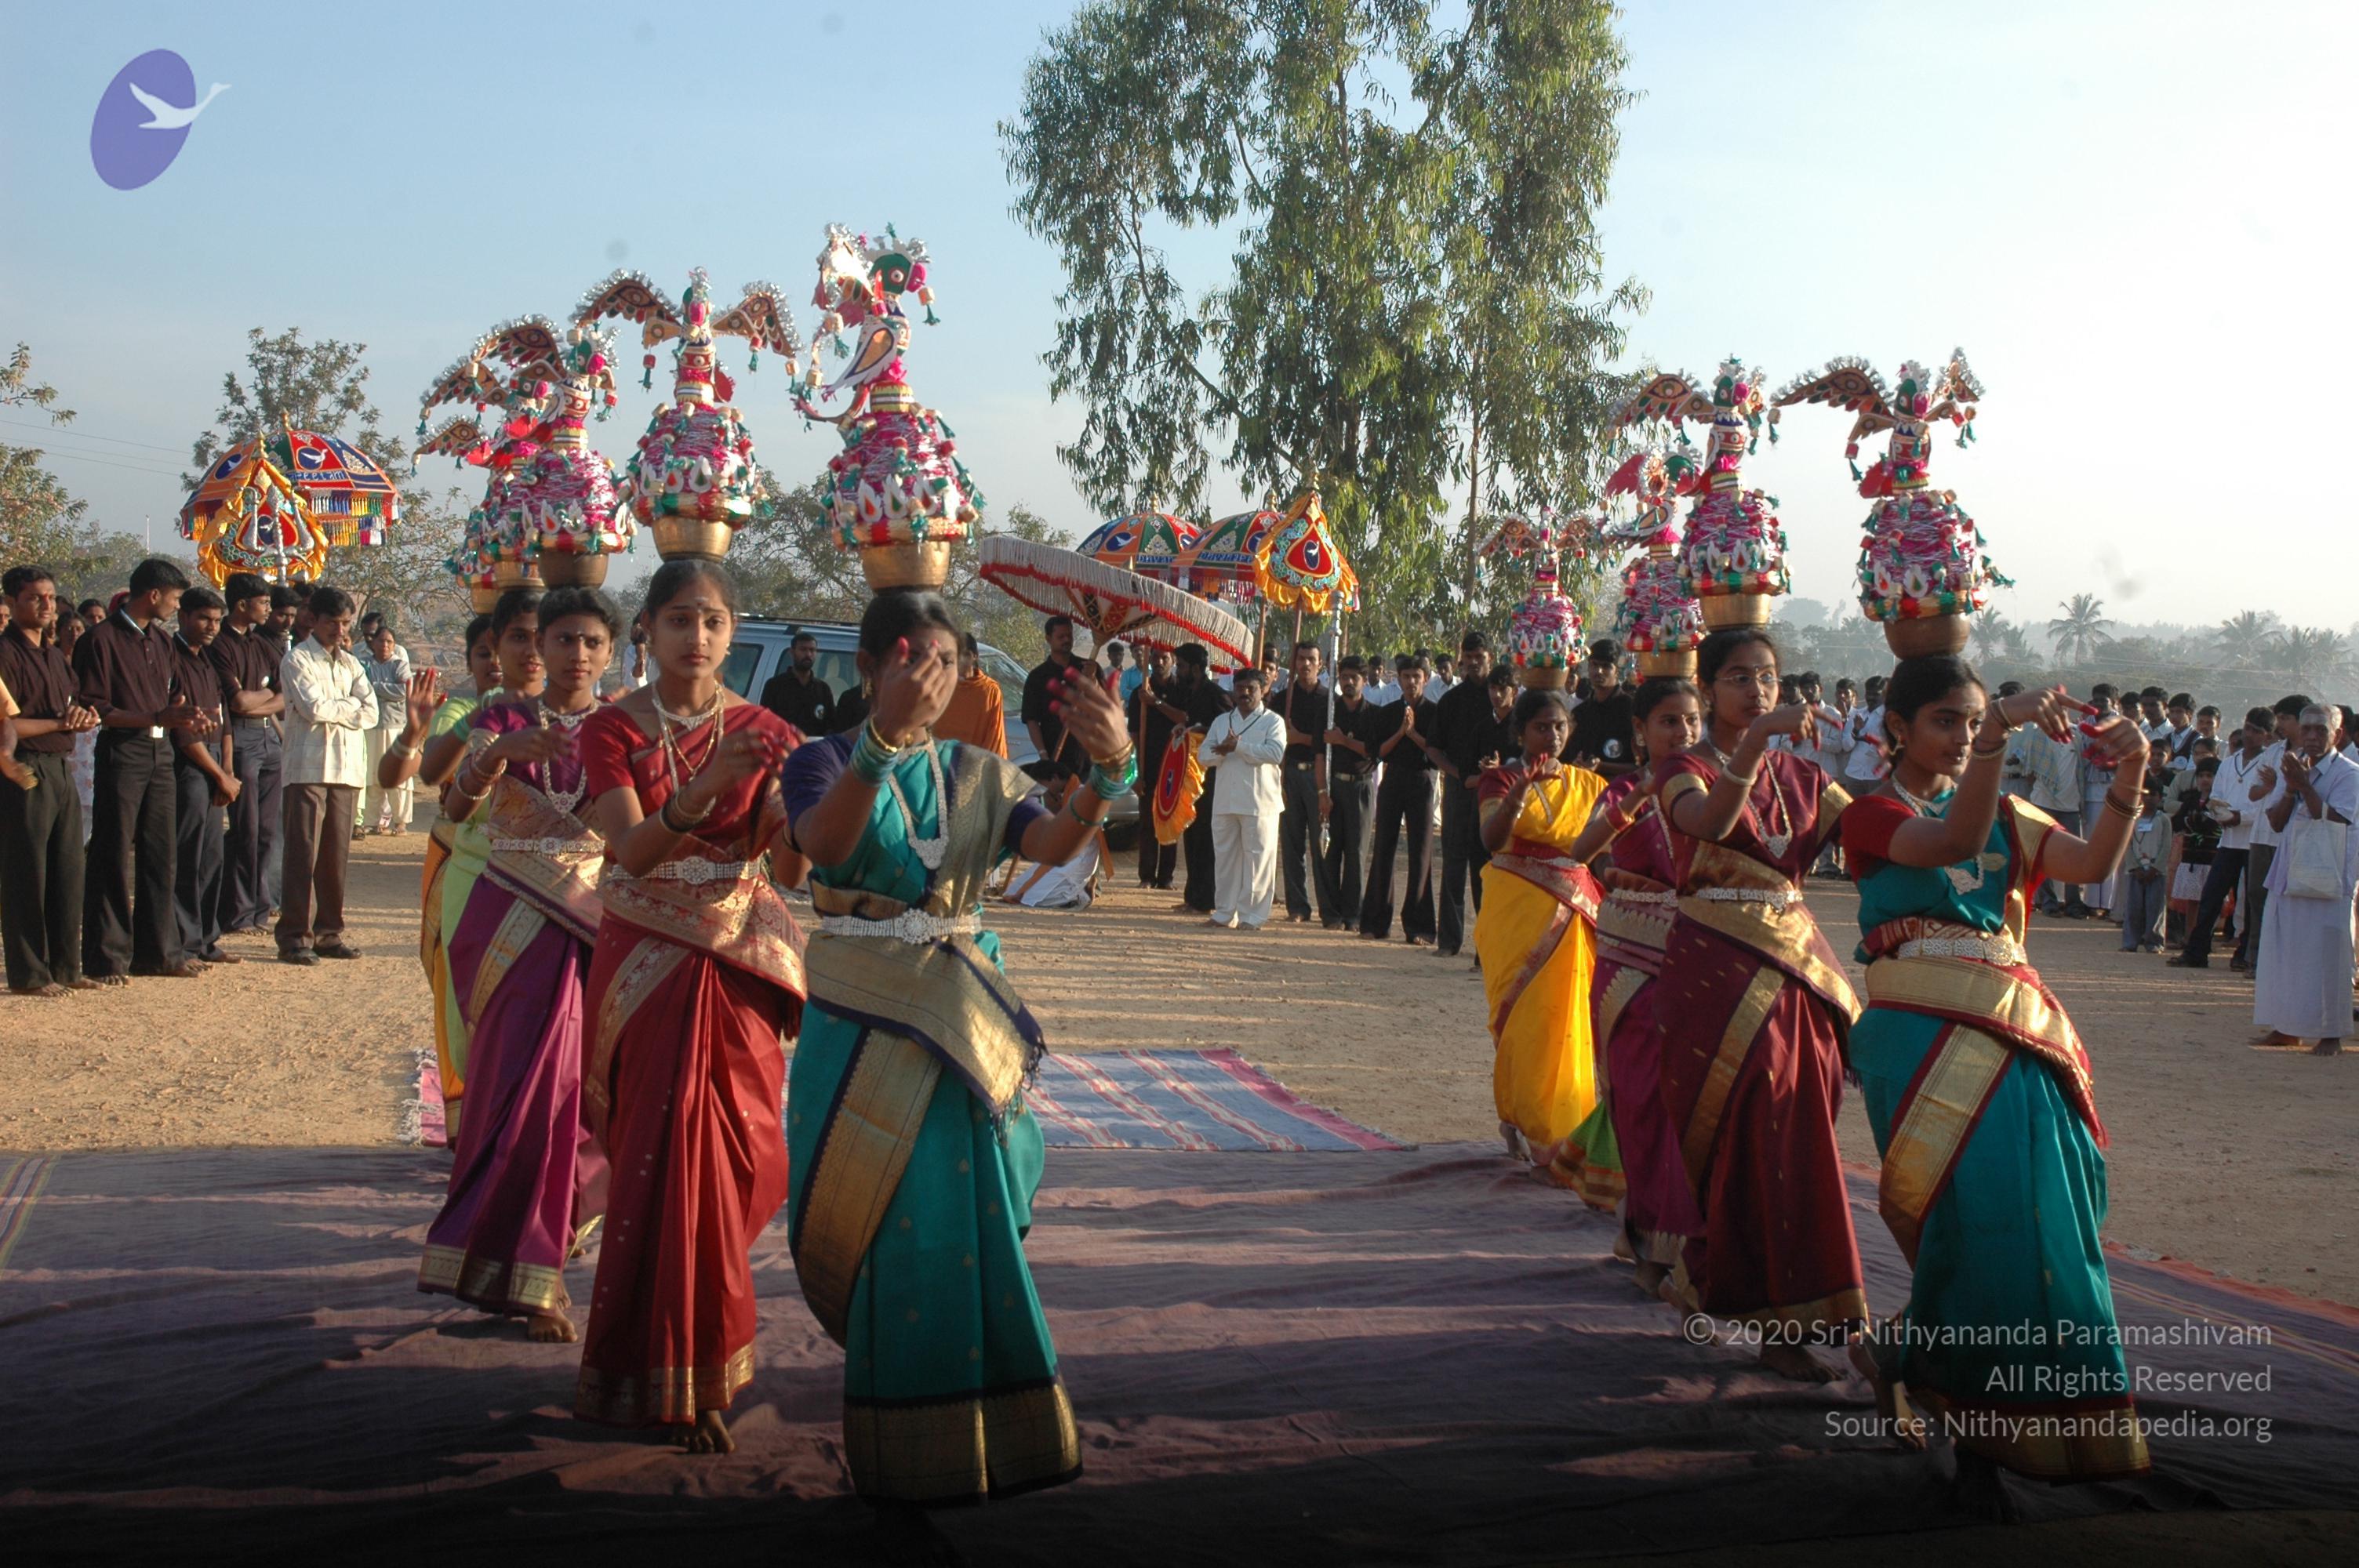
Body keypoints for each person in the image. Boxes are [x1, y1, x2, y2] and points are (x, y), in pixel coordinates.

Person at [782, 585, 1118, 1507]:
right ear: (869, 666)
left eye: (947, 662)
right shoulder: (819, 759)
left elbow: (1049, 841)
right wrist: (878, 745)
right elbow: (823, 847)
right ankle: (902, 1445)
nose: (932, 678)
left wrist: (1110, 769)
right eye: (912, 661)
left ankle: (1000, 1430)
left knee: (974, 1213)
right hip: (862, 1020)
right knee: (885, 1216)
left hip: (961, 1017)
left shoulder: (976, 769)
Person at [1840, 655, 2152, 1479]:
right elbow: (1951, 841)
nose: (1962, 736)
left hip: (2014, 1026)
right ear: (1897, 726)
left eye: (1973, 721)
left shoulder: (2012, 813)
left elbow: (2093, 867)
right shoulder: (1869, 813)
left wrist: (2132, 770)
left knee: (2048, 1207)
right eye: (1945, 720)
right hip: (1917, 1032)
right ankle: (1979, 1434)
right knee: (1967, 1217)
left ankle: (1906, 1352)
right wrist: (1999, 736)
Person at [573, 561, 809, 1454]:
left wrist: (797, 807)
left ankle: (708, 1357)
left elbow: (793, 869)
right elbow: (630, 851)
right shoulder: (611, 727)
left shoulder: (765, 730)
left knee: (741, 1158)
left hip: (737, 962)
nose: (696, 637)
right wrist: (703, 794)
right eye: (679, 619)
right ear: (647, 628)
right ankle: (658, 1369)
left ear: (732, 630)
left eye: (712, 621)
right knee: (657, 1160)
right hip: (648, 956)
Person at [1652, 627, 1860, 1380]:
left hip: (1796, 970)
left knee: (1799, 1128)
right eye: (1739, 677)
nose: (1757, 690)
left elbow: (1878, 836)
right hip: (1716, 969)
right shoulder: (1682, 769)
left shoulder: (1805, 776)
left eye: (1767, 677)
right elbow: (1708, 824)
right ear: (1708, 689)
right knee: (1748, 1126)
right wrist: (1757, 743)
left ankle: (1758, 1301)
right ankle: (1770, 1321)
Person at [420, 586, 618, 1343]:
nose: (568, 655)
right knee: (523, 1091)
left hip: (596, 926)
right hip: (508, 923)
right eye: (555, 639)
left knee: (589, 1094)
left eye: (588, 642)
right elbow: (453, 809)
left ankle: (557, 1236)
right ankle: (532, 1271)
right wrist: (496, 756)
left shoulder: (625, 725)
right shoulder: (501, 719)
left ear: (611, 652)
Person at [1572, 677, 1702, 1298]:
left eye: (1692, 720)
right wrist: (1644, 795)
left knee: (1695, 1110)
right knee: (1644, 1104)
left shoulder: (1721, 790)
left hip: (1702, 963)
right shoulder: (1625, 792)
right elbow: (1584, 849)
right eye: (1669, 721)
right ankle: (1650, 1240)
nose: (1683, 733)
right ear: (1640, 732)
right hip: (1632, 967)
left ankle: (1692, 1249)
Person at [1474, 685, 1612, 1192]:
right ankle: (1527, 1120)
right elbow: (1492, 840)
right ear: (1521, 732)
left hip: (1575, 911)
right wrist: (1518, 794)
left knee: (1567, 1021)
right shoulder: (1500, 778)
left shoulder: (1589, 785)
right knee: (1522, 1021)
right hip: (1515, 912)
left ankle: (1560, 1134)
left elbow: (1603, 851)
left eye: (1559, 726)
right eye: (1540, 727)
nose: (1551, 736)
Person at [423, 607, 536, 1144]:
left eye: (542, 639)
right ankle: (484, 1136)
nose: (524, 654)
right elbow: (437, 782)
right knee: (473, 1012)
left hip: (561, 888)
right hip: (478, 872)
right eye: (511, 641)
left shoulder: (587, 718)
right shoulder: (469, 714)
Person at [76, 557, 208, 984]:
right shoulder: (100, 640)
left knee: (160, 853)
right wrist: (154, 716)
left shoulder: (162, 642)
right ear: (153, 595)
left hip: (160, 753)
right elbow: (96, 707)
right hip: (123, 752)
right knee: (112, 852)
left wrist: (185, 715)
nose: (176, 606)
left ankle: (158, 953)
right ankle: (106, 957)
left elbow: (173, 697)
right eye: (174, 598)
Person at [0, 565, 100, 994]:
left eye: (50, 597)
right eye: (34, 598)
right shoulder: (5, 654)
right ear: (11, 603)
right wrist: (61, 723)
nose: (45, 605)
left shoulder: (55, 656)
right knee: (28, 873)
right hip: (23, 768)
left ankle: (67, 967)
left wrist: (82, 717)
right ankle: (28, 973)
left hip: (61, 767)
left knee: (68, 870)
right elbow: (8, 725)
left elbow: (74, 710)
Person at [276, 584, 376, 964]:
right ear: (313, 619)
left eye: (345, 623)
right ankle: (294, 937)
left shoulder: (351, 664)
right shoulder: (298, 659)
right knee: (302, 854)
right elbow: (313, 708)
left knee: (336, 857)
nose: (340, 629)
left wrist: (340, 707)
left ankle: (329, 933)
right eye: (332, 622)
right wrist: (350, 706)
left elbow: (373, 713)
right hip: (308, 767)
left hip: (346, 769)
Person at [2252, 705, 2357, 1056]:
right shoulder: (2294, 765)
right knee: (2286, 953)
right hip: (2289, 872)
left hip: (2329, 878)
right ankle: (2287, 1027)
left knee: (2329, 956)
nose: (2311, 737)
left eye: (2320, 730)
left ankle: (2331, 1035)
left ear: (2337, 735)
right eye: (2307, 729)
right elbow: (2276, 822)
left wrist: (2305, 787)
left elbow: (2338, 820)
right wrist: (2289, 789)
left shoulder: (2349, 774)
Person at [2174, 706, 2282, 970]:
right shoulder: (2229, 762)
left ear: (2267, 736)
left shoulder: (2269, 763)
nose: (2249, 735)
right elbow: (2216, 796)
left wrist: (2239, 817)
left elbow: (2267, 803)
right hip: (2228, 840)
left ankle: (2245, 953)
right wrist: (2221, 814)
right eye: (2247, 728)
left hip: (2255, 841)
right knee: (2211, 895)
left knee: (2250, 900)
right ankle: (2197, 951)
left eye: (2257, 731)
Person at [209, 572, 285, 935]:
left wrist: (260, 701)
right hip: (240, 740)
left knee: (268, 831)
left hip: (269, 739)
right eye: (264, 602)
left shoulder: (262, 644)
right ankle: (237, 912)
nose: (268, 609)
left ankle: (259, 908)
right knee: (246, 830)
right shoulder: (220, 645)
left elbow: (285, 694)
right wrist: (265, 697)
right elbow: (236, 702)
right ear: (242, 604)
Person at [169, 586, 238, 967]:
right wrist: (217, 774)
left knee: (212, 856)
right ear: (183, 617)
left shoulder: (207, 661)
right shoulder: (172, 660)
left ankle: (208, 939)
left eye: (216, 620)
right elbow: (182, 732)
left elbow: (224, 719)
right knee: (188, 856)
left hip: (215, 765)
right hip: (190, 765)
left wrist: (227, 771)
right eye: (203, 619)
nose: (211, 627)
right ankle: (185, 942)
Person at [1358, 653, 1439, 944]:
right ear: (1398, 679)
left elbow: (1437, 753)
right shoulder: (1389, 712)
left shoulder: (1434, 712)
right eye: (1406, 677)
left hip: (1422, 781)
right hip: (1393, 780)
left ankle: (1419, 927)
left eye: (1417, 677)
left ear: (1425, 680)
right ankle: (1376, 923)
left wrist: (1414, 733)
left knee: (1421, 852)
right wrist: (1401, 732)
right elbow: (1377, 752)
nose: (1411, 682)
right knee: (1383, 849)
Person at [1202, 664, 1287, 930]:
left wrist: (1239, 746)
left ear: (1263, 691)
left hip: (1260, 802)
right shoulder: (1221, 721)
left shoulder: (1273, 721)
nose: (1245, 693)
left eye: (1251, 689)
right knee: (1225, 858)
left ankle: (1253, 916)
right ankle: (1224, 913)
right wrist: (1222, 751)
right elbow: (1203, 755)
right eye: (1240, 688)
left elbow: (1275, 753)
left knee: (1258, 859)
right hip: (1225, 800)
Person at [1431, 633, 1499, 957]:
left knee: (1486, 867)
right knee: (1454, 864)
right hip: (1459, 791)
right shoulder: (1451, 701)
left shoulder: (1501, 700)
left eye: (1479, 657)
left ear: (1490, 658)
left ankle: (1486, 949)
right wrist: (1457, 774)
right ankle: (1448, 941)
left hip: (1494, 793)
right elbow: (1434, 747)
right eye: (1468, 657)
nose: (1474, 663)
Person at [1274, 641, 1339, 924]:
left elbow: (1329, 740)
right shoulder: (1282, 699)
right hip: (1289, 773)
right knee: (1291, 844)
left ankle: (1328, 909)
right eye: (1301, 659)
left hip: (1318, 775)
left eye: (1311, 659)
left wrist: (1299, 738)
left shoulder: (1329, 700)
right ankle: (1298, 907)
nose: (1306, 664)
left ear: (1320, 664)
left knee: (1321, 843)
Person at [1170, 644, 1230, 914]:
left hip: (1211, 776)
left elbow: (1227, 729)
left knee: (1206, 837)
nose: (1177, 671)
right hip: (1192, 774)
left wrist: (1198, 730)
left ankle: (1206, 900)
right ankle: (1192, 896)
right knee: (1192, 833)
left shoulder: (1215, 695)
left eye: (1181, 666)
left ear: (1196, 668)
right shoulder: (1188, 693)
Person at [1321, 655, 1379, 929]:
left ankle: (1353, 914)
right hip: (1334, 785)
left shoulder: (1373, 714)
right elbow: (1320, 752)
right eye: (1344, 677)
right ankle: (1331, 913)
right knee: (1331, 849)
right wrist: (1322, 792)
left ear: (1364, 681)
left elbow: (1374, 751)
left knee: (1356, 852)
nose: (1348, 682)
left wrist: (1343, 740)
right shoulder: (1330, 711)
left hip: (1361, 786)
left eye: (1354, 677)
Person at [357, 622, 413, 836]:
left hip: (395, 727)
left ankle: (401, 822)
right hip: (371, 726)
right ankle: (372, 822)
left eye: (389, 641)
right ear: (374, 643)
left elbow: (404, 691)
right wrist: (382, 689)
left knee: (397, 775)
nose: (385, 645)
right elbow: (360, 689)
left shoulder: (399, 665)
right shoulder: (364, 665)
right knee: (372, 776)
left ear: (394, 645)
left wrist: (376, 687)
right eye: (381, 641)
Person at [1132, 645, 1180, 890]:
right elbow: (1133, 734)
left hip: (1175, 765)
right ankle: (1147, 876)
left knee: (1170, 820)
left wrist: (1156, 703)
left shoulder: (1181, 689)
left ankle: (1166, 877)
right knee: (1147, 822)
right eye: (1156, 657)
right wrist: (1135, 771)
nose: (1160, 662)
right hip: (1148, 764)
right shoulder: (1139, 692)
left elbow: (1184, 718)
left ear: (1173, 660)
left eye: (1165, 658)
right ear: (1149, 659)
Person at [2076, 684, 2123, 918]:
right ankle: (2092, 901)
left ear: (2114, 703)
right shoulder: (2086, 726)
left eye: (2104, 701)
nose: (2099, 705)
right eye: (2096, 701)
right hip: (2091, 790)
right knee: (2093, 844)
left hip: (2114, 789)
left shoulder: (2122, 726)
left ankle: (2110, 902)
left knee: (2111, 845)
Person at [1020, 614, 1085, 782]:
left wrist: (1092, 681)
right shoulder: (1038, 677)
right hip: (1055, 759)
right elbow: (1032, 720)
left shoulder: (1087, 670)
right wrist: (1043, 755)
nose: (1066, 640)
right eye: (1061, 637)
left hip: (1087, 758)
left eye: (1069, 635)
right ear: (1048, 639)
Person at [1565, 641, 1636, 777]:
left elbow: (1643, 768)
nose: (1599, 671)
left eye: (1606, 666)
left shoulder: (1631, 711)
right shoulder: (1579, 713)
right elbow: (1567, 759)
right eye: (1594, 665)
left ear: (1617, 671)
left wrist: (1601, 766)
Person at [936, 631, 1008, 757]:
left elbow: (994, 734)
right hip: (942, 759)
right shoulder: (942, 685)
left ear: (975, 656)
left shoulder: (989, 690)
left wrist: (984, 764)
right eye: (957, 655)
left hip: (975, 760)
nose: (961, 660)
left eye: (965, 655)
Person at [2121, 780, 2171, 953]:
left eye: (2153, 795)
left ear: (2160, 797)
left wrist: (2156, 868)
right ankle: (2130, 942)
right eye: (2145, 794)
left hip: (2157, 872)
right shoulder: (2132, 818)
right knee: (2133, 908)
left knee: (2155, 908)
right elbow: (2126, 844)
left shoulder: (2163, 820)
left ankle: (2154, 942)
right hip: (2135, 871)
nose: (2149, 798)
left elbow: (2166, 846)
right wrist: (2134, 867)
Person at [760, 629, 838, 735]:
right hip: (784, 744)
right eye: (803, 650)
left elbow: (831, 725)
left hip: (814, 745)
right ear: (792, 652)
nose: (808, 654)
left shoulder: (823, 689)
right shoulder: (775, 686)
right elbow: (766, 722)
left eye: (812, 650)